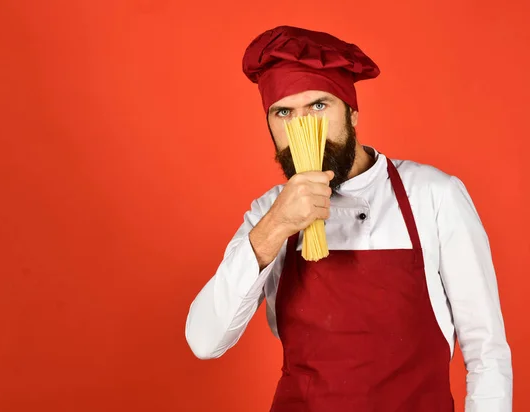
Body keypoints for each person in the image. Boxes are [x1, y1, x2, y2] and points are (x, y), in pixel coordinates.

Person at [184, 25, 512, 411]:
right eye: (284, 112)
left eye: (319, 106)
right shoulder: (269, 212)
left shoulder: (432, 195)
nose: (302, 127)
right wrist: (277, 226)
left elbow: (486, 351)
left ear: (352, 113)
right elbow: (204, 341)